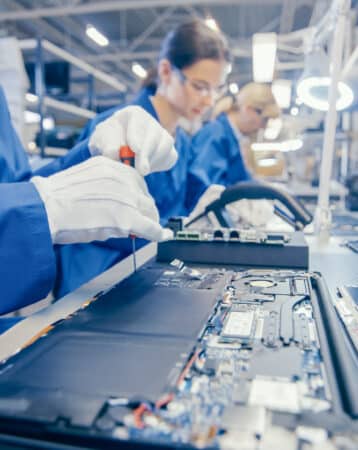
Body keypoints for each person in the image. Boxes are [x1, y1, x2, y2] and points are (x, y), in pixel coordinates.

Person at [51, 19, 231, 298]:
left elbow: (183, 203)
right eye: (200, 86)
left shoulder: (182, 141)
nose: (209, 101)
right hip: (96, 276)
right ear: (166, 71)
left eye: (215, 89)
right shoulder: (118, 127)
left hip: (148, 272)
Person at [0, 96, 177, 316]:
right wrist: (42, 206)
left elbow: (16, 184)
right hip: (90, 264)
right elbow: (30, 203)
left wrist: (89, 155)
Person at [186, 82, 280, 210]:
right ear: (249, 109)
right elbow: (206, 189)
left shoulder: (233, 139)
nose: (263, 126)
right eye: (265, 119)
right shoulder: (215, 134)